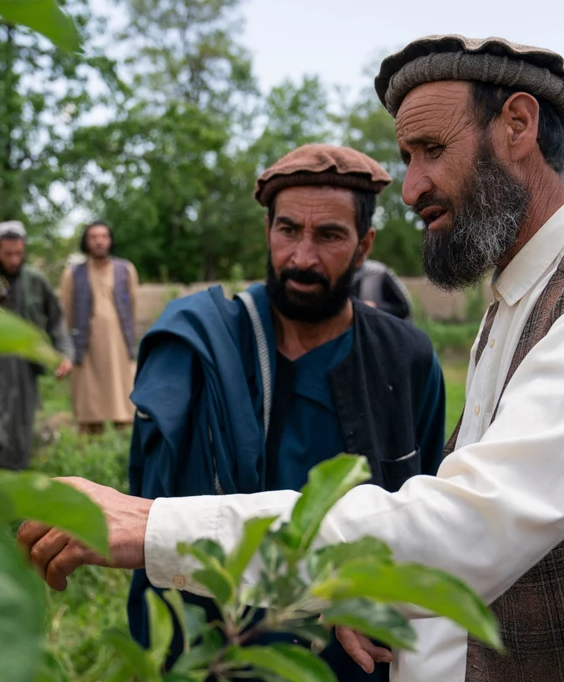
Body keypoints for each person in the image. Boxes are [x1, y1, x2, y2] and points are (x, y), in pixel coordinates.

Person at [18, 35, 564, 681]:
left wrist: (151, 526)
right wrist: (377, 584)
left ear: (517, 125)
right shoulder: (514, 302)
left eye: (431, 150)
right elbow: (457, 537)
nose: (413, 186)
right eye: (406, 158)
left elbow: (462, 527)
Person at [125, 144, 446, 680]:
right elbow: (154, 509)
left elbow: (428, 513)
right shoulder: (204, 349)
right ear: (268, 232)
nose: (302, 257)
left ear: (364, 244)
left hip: (354, 653)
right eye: (288, 230)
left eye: (329, 236)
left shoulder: (405, 358)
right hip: (223, 644)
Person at [0, 220, 73, 470]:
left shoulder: (35, 280)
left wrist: (64, 354)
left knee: (18, 440)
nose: (14, 259)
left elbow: (56, 320)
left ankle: (11, 498)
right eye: (8, 254)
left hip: (24, 370)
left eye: (19, 253)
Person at [60, 222, 139, 435]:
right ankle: (89, 439)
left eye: (103, 236)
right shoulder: (73, 273)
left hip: (119, 342)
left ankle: (123, 438)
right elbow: (67, 311)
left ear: (110, 240)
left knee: (122, 392)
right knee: (89, 397)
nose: (99, 241)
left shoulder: (126, 269)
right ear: (86, 241)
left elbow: (132, 305)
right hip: (87, 342)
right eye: (94, 237)